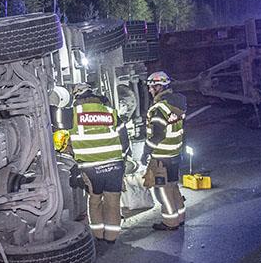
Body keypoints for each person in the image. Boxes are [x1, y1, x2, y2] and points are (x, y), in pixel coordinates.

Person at [68, 83, 130, 245]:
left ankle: (98, 236)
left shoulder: (73, 114)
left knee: (95, 201)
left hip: (90, 168)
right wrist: (121, 161)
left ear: (76, 97)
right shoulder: (110, 112)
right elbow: (124, 141)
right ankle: (111, 238)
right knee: (113, 202)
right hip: (114, 166)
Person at [142, 71, 186, 231]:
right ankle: (180, 217)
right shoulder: (176, 104)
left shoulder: (159, 108)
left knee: (164, 191)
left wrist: (146, 151)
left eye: (152, 87)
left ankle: (170, 222)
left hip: (162, 157)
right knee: (173, 186)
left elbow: (158, 135)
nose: (150, 90)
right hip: (175, 153)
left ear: (159, 87)